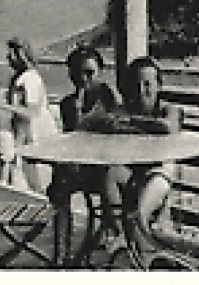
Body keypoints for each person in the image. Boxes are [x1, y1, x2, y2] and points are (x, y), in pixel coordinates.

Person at [47, 46, 122, 266]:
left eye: (90, 73)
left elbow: (118, 129)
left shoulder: (108, 98)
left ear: (101, 72)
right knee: (60, 184)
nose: (83, 80)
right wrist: (78, 109)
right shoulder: (67, 105)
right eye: (77, 74)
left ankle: (101, 240)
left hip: (107, 170)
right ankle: (62, 253)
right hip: (84, 170)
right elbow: (74, 140)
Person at [112, 55, 183, 254]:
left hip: (160, 171)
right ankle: (122, 235)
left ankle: (136, 247)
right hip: (134, 171)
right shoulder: (126, 110)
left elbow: (168, 127)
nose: (141, 90)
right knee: (109, 173)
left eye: (147, 84)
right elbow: (110, 124)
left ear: (159, 86)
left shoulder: (169, 110)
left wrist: (131, 121)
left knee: (138, 213)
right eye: (136, 85)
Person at [0, 37, 58, 192]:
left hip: (36, 133)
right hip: (23, 133)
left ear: (21, 55)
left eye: (12, 53)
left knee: (35, 181)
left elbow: (31, 112)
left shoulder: (31, 79)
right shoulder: (19, 78)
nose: (8, 57)